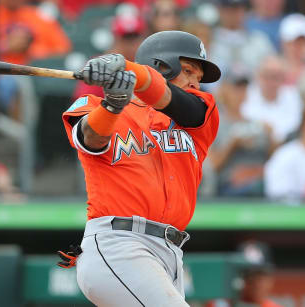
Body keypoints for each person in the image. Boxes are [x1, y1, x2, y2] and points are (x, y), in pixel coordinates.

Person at [61, 31, 221, 306]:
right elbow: (90, 138)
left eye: (198, 76)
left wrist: (127, 69)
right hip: (118, 244)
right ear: (162, 65)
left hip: (170, 253)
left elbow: (179, 103)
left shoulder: (200, 114)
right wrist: (112, 106)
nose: (196, 81)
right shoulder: (93, 106)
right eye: (188, 71)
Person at [209, 65, 276, 197]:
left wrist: (271, 138)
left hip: (257, 178)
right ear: (224, 90)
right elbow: (211, 167)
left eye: (243, 88)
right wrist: (232, 144)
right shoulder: (212, 122)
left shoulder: (256, 124)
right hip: (229, 186)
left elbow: (273, 160)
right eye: (236, 88)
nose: (240, 93)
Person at [73, 13, 147, 100]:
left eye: (135, 37)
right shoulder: (100, 66)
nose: (131, 44)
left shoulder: (147, 65)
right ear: (115, 39)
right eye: (126, 38)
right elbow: (82, 103)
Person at [241, 56, 303, 144]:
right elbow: (244, 117)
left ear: (283, 79)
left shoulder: (292, 95)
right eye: (266, 76)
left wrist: (271, 131)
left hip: (284, 145)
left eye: (275, 77)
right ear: (258, 76)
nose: (270, 82)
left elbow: (294, 124)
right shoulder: (247, 93)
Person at [208, 0, 275, 81]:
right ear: (220, 9)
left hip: (252, 90)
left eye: (238, 8)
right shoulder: (208, 39)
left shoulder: (259, 40)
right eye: (229, 8)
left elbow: (272, 69)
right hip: (215, 91)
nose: (234, 13)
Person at [279, 13, 305, 85]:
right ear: (283, 44)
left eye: (304, 42)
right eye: (293, 43)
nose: (298, 47)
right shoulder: (273, 73)